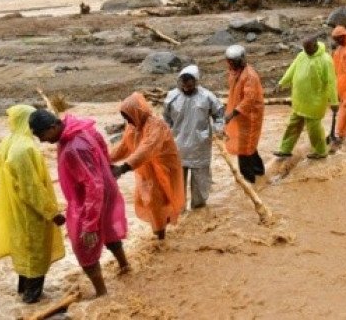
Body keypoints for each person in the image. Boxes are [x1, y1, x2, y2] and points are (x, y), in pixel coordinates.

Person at [28, 109, 129, 298]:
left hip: (90, 197)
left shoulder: (74, 147)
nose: (41, 141)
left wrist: (90, 224)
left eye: (41, 135)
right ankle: (125, 266)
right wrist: (105, 166)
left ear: (52, 127)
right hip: (106, 186)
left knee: (83, 246)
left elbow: (93, 186)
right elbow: (100, 142)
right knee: (108, 229)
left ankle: (102, 294)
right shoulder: (78, 127)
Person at [0, 105, 65, 304]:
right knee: (35, 256)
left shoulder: (7, 143)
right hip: (31, 212)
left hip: (13, 208)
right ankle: (31, 303)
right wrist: (52, 212)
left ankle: (22, 298)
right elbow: (31, 188)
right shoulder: (24, 149)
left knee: (24, 252)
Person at [111, 92, 185, 240]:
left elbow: (147, 148)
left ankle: (161, 239)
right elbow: (125, 147)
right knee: (151, 202)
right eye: (124, 117)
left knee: (160, 201)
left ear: (136, 112)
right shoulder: (133, 126)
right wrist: (105, 159)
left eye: (128, 116)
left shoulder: (156, 125)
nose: (126, 120)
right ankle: (161, 236)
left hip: (164, 170)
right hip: (146, 170)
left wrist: (124, 167)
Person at [163, 65, 224, 209]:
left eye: (190, 86)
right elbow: (166, 119)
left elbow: (219, 115)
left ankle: (199, 210)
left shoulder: (207, 97)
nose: (187, 88)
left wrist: (218, 129)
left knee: (200, 184)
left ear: (196, 82)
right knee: (177, 186)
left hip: (200, 146)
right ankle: (180, 211)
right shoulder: (172, 97)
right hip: (178, 147)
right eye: (184, 86)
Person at [274, 36, 339, 159]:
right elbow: (292, 70)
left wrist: (334, 101)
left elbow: (331, 82)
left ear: (315, 45)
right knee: (292, 126)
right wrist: (281, 83)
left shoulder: (326, 60)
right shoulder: (301, 55)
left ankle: (320, 151)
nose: (306, 51)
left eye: (308, 48)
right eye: (304, 48)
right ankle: (285, 149)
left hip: (315, 102)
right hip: (299, 99)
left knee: (314, 130)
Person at [224, 45, 265, 183]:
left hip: (250, 116)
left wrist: (231, 114)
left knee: (244, 148)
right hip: (240, 114)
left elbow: (249, 100)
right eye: (229, 61)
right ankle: (259, 170)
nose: (230, 64)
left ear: (240, 60)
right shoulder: (234, 71)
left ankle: (249, 181)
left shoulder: (250, 76)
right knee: (249, 144)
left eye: (232, 61)